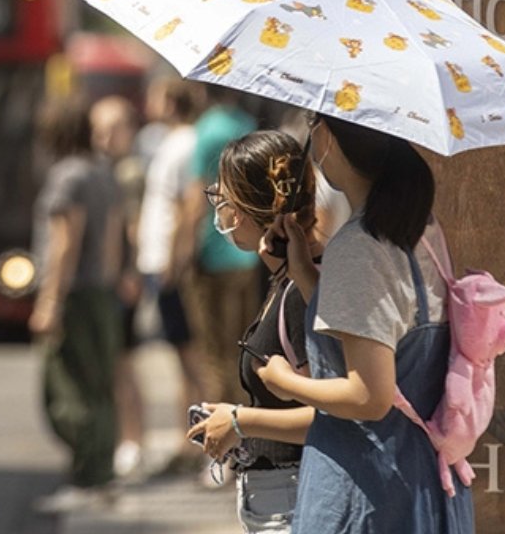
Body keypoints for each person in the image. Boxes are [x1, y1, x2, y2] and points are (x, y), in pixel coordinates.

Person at [253, 114, 476, 532]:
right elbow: (382, 326)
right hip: (421, 481)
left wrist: (284, 382)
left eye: (313, 121)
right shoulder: (420, 228)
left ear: (328, 140)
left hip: (369, 490)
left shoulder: (359, 245)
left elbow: (369, 396)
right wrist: (303, 271)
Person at [185, 130, 328, 532]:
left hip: (293, 500)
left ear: (250, 208)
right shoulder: (289, 280)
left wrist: (240, 422)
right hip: (277, 497)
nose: (222, 213)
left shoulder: (303, 291)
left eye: (226, 199)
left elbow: (337, 415)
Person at [30, 98, 124, 513]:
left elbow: (64, 242)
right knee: (101, 385)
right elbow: (113, 238)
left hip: (76, 295)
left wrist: (50, 300)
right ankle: (100, 476)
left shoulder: (66, 176)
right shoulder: (102, 173)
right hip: (101, 292)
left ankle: (86, 477)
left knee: (69, 389)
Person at [134, 78, 209, 477]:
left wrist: (174, 261)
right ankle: (190, 439)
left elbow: (188, 206)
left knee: (191, 355)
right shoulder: (168, 141)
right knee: (180, 356)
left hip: (167, 261)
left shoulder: (185, 144)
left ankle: (204, 443)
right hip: (156, 258)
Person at [178, 87, 262, 422]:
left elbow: (196, 198)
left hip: (213, 252)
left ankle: (223, 437)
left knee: (214, 352)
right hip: (247, 253)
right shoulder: (247, 122)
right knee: (245, 349)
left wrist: (182, 253)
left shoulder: (206, 129)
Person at [88, 95, 148, 479]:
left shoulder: (130, 174)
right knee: (110, 363)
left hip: (122, 279)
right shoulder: (100, 170)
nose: (103, 137)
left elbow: (135, 226)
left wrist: (130, 272)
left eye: (111, 128)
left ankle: (133, 440)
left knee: (123, 363)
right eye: (98, 129)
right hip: (105, 278)